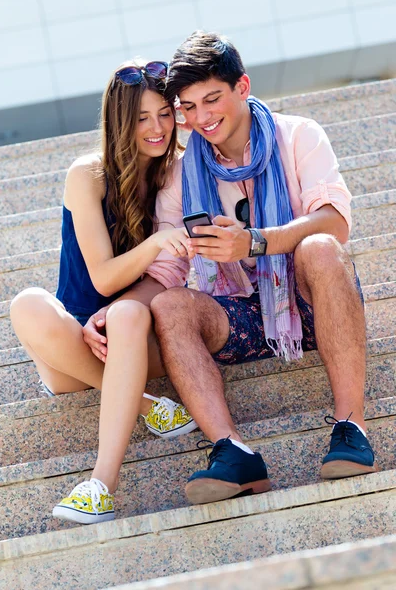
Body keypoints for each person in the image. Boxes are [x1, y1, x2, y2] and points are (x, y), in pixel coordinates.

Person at [147, 31, 378, 505]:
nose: (200, 117)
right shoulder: (180, 176)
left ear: (243, 88)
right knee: (169, 305)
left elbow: (335, 221)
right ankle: (233, 453)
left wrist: (254, 242)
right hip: (240, 314)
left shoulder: (299, 135)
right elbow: (165, 270)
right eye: (187, 107)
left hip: (316, 302)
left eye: (212, 99)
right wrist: (117, 313)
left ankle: (351, 427)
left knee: (319, 247)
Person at [10, 60, 197, 524]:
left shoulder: (178, 174)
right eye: (140, 118)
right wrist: (154, 242)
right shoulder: (88, 175)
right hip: (75, 344)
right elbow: (102, 279)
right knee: (27, 305)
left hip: (135, 339)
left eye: (164, 114)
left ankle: (100, 486)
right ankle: (149, 405)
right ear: (118, 122)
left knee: (128, 318)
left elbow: (167, 273)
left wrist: (119, 311)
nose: (156, 128)